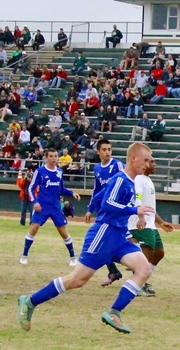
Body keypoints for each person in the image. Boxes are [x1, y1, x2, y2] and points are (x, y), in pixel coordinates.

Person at [17, 143, 157, 334]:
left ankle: (114, 312)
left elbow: (101, 196)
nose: (148, 164)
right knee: (77, 280)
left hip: (119, 236)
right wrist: (134, 210)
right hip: (104, 234)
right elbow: (107, 205)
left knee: (144, 269)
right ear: (133, 158)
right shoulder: (121, 180)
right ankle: (30, 301)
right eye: (146, 160)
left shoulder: (130, 182)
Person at [20, 149, 81, 266]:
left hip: (55, 207)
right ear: (46, 158)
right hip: (42, 206)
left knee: (63, 231)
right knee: (34, 227)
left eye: (55, 156)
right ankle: (24, 255)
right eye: (51, 156)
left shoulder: (59, 172)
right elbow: (31, 188)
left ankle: (73, 258)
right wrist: (35, 202)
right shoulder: (40, 171)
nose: (54, 158)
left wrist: (72, 192)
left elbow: (61, 189)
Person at [128, 158, 174, 297]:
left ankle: (142, 280)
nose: (155, 165)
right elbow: (138, 200)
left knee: (159, 253)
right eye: (152, 162)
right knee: (147, 253)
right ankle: (136, 284)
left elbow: (150, 206)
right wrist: (141, 218)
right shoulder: (139, 179)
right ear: (144, 165)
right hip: (139, 222)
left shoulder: (148, 180)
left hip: (150, 223)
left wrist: (160, 222)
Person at [87, 139, 127, 286]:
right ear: (98, 152)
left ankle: (138, 272)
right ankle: (114, 270)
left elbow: (126, 182)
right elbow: (96, 190)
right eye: (104, 149)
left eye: (109, 149)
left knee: (128, 241)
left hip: (120, 210)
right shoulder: (97, 169)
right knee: (103, 241)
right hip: (106, 211)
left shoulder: (117, 165)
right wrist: (90, 209)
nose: (107, 152)